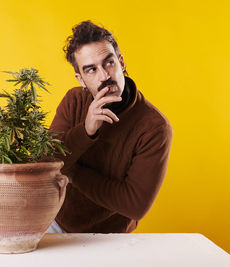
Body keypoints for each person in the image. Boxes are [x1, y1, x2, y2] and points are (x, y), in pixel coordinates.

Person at [46, 21, 173, 233]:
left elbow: (135, 205)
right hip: (55, 225)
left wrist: (70, 169)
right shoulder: (74, 101)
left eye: (109, 63)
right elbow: (46, 162)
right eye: (91, 69)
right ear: (81, 79)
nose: (104, 76)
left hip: (111, 238)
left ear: (121, 62)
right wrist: (85, 131)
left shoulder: (154, 127)